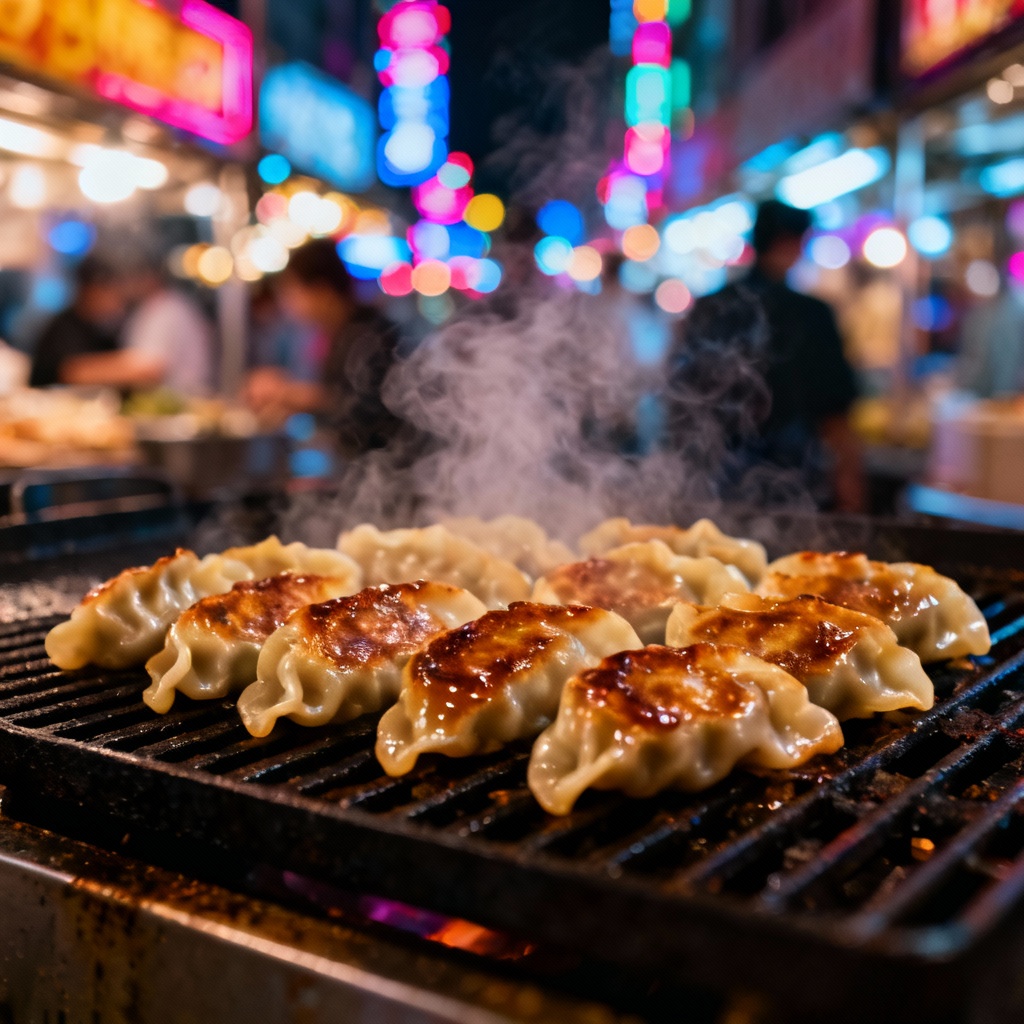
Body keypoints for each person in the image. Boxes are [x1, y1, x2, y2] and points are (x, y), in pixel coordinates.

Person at [666, 200, 865, 512]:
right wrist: (849, 484)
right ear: (792, 242)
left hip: (715, 477)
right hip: (792, 479)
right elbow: (835, 411)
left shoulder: (710, 306)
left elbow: (679, 400)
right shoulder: (812, 313)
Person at [243, 239, 404, 458]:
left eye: (293, 292)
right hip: (355, 463)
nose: (287, 304)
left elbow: (366, 409)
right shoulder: (336, 333)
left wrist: (290, 394)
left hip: (383, 464)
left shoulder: (369, 335)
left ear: (323, 290)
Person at [29, 255, 161, 390]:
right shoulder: (64, 328)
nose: (118, 300)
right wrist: (134, 367)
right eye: (110, 291)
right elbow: (72, 373)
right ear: (90, 291)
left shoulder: (102, 327)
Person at [122, 262, 215, 396]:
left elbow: (149, 370)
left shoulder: (168, 310)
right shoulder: (154, 307)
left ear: (150, 277)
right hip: (173, 403)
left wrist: (82, 371)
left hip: (184, 404)